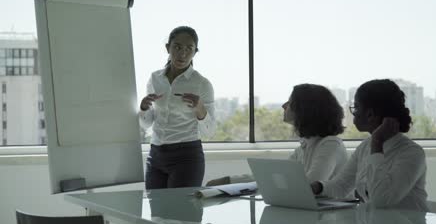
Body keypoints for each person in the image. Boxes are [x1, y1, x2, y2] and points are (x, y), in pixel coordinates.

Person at [310, 79, 429, 211]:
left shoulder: (411, 153)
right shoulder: (365, 146)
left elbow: (381, 199)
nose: (353, 113)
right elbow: (341, 186)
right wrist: (317, 187)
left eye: (356, 108)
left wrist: (377, 142)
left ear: (370, 114)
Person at [206, 83, 347, 186]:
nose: (284, 106)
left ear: (305, 109)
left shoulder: (330, 145)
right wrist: (228, 181)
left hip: (331, 220)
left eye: (290, 102)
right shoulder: (304, 147)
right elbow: (271, 176)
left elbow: (311, 184)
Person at [139, 26, 216, 189]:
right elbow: (146, 124)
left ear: (195, 52)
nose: (183, 54)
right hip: (156, 155)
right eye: (177, 47)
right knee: (156, 213)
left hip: (187, 157)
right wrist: (144, 108)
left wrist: (200, 109)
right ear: (168, 47)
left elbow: (209, 132)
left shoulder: (202, 84)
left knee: (182, 213)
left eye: (189, 49)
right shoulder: (155, 78)